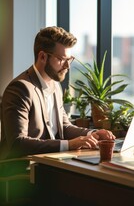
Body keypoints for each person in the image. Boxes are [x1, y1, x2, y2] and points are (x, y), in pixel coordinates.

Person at [0, 26, 115, 160]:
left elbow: (64, 127)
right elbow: (18, 143)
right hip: (21, 169)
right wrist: (69, 144)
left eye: (69, 59)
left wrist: (94, 133)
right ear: (42, 56)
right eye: (62, 59)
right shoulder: (20, 88)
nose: (67, 66)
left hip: (48, 163)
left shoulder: (55, 86)